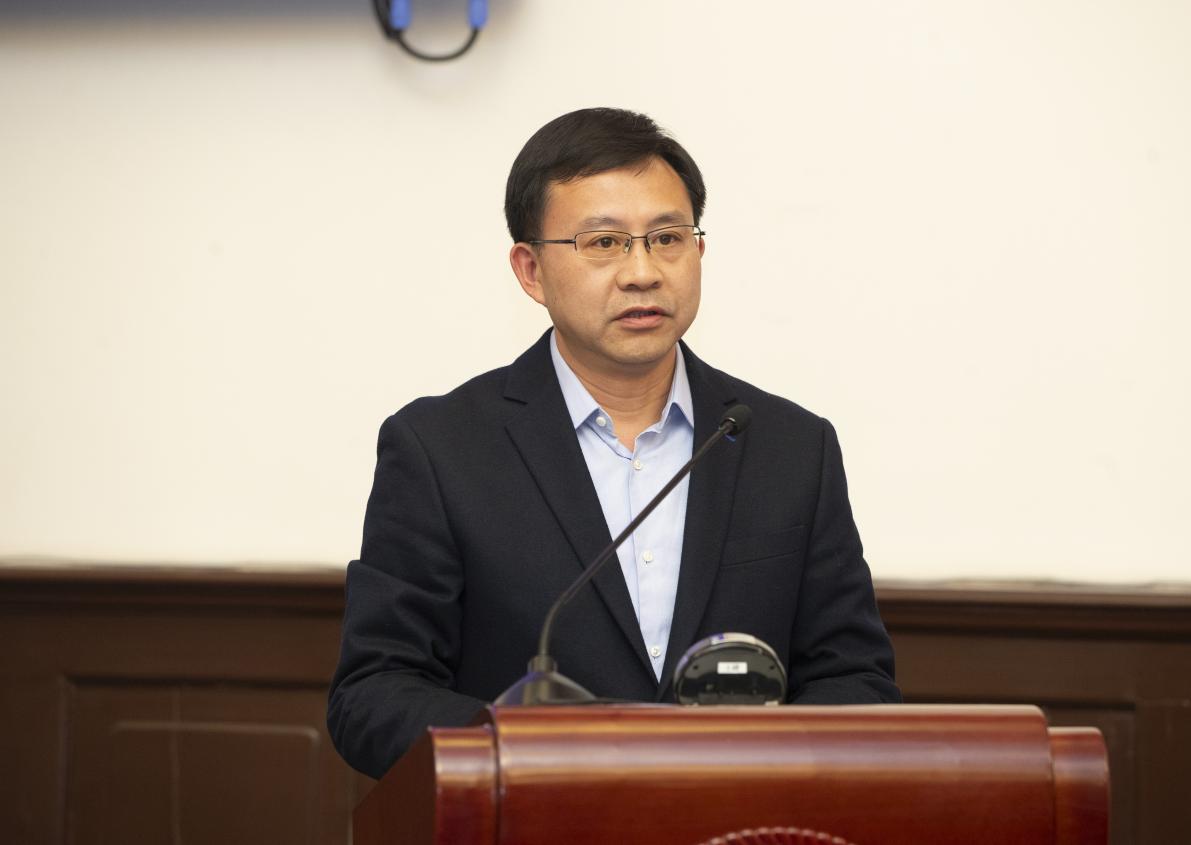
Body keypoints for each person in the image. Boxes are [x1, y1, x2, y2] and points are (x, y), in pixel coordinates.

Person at [327, 107, 900, 779]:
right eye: (604, 243)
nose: (642, 272)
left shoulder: (791, 447)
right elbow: (374, 692)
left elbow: (854, 679)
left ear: (699, 252)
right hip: (534, 814)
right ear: (531, 270)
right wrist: (543, 755)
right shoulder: (440, 449)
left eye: (667, 238)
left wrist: (747, 766)